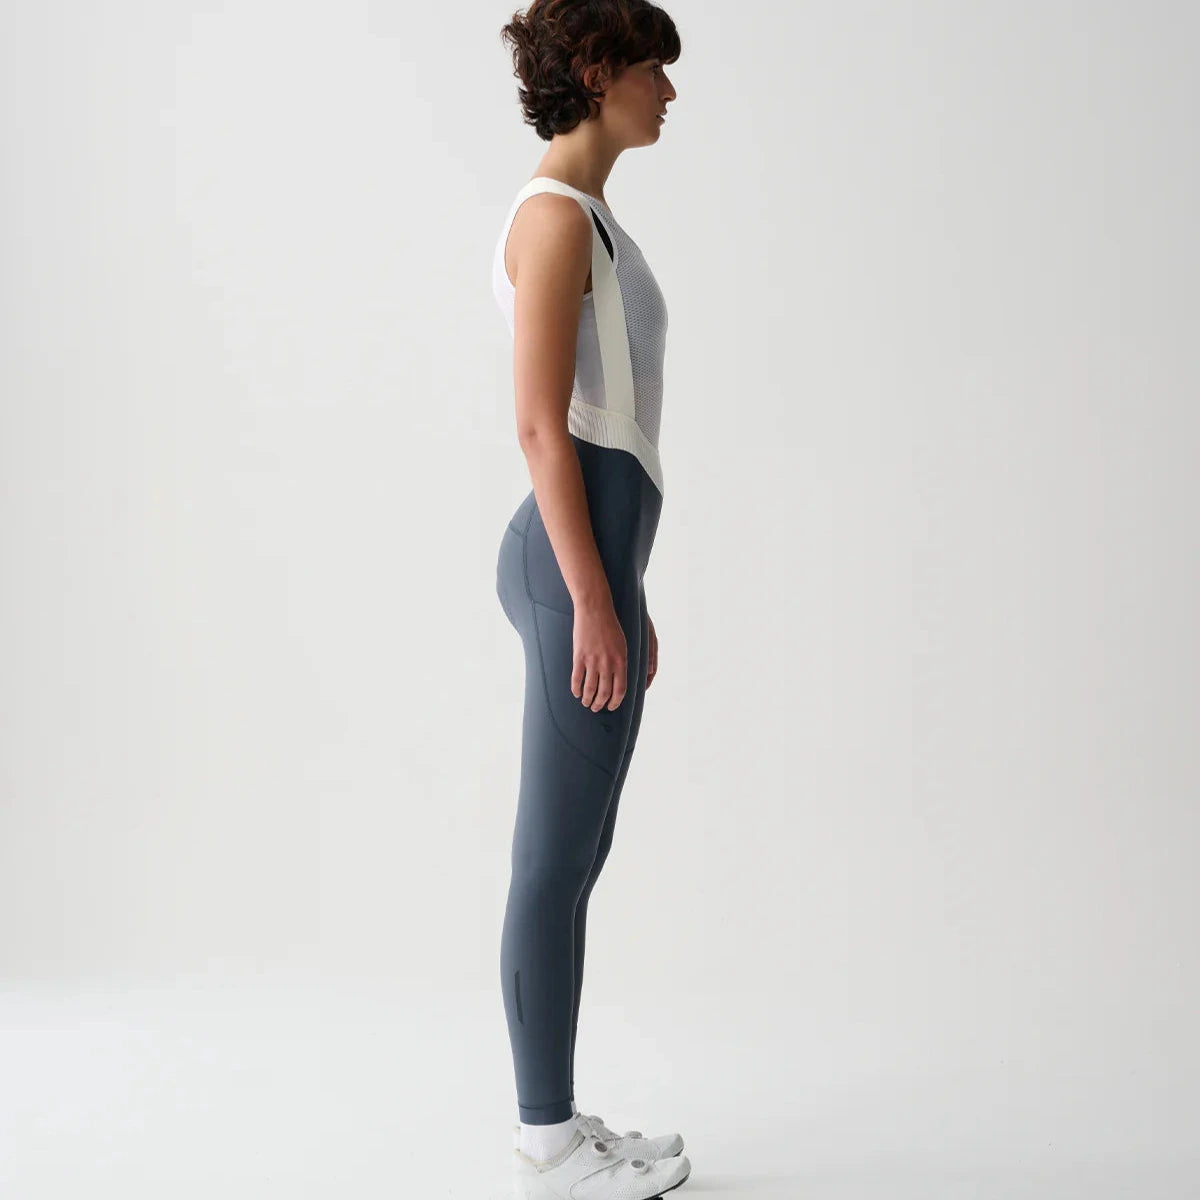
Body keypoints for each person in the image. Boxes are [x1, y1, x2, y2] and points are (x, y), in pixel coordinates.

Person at [492, 2, 689, 1197]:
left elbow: (605, 418)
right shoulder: (556, 216)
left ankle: (559, 1120)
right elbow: (539, 426)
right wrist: (593, 596)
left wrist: (626, 592)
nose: (669, 94)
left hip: (598, 571)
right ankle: (545, 1145)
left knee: (579, 852)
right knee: (551, 859)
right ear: (601, 70)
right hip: (570, 572)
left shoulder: (593, 215)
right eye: (657, 70)